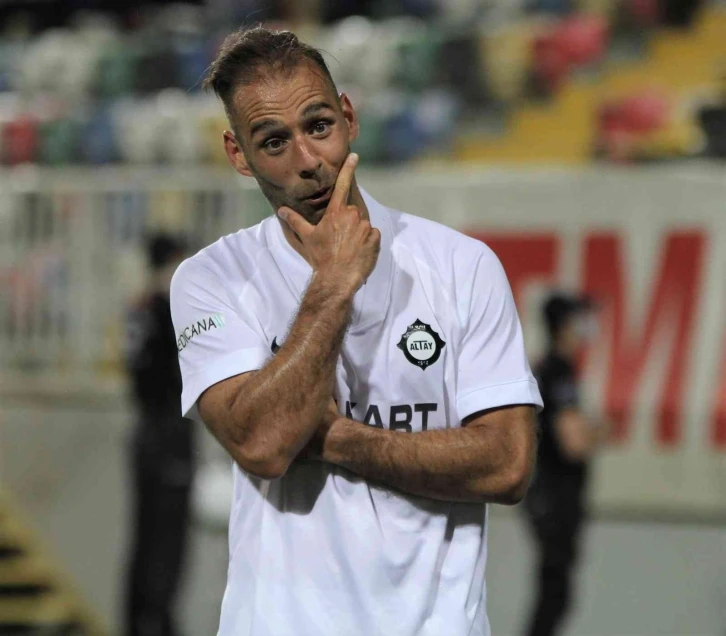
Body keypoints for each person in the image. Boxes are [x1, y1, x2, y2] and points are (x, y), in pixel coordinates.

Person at [170, 26, 543, 636]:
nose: (308, 161)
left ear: (348, 117)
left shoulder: (462, 265)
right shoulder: (211, 279)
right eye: (273, 141)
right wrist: (334, 283)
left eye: (318, 126)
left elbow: (506, 466)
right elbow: (264, 446)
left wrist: (332, 438)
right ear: (238, 154)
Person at [522, 292, 608, 636]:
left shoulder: (547, 368)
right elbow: (573, 443)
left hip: (549, 497)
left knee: (555, 594)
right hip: (555, 499)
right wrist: (600, 430)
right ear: (565, 326)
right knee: (555, 595)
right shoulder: (559, 370)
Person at [124, 234, 194, 636]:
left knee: (146, 539)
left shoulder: (140, 307)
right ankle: (156, 625)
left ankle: (139, 622)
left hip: (147, 433)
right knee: (166, 544)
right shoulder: (166, 310)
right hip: (167, 435)